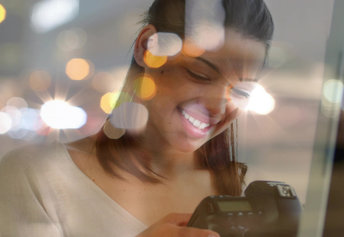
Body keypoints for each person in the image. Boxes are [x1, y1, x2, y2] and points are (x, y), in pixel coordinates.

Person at [0, 0, 274, 236]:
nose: (218, 105)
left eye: (241, 91)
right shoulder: (37, 178)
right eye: (199, 74)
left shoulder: (246, 193)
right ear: (147, 48)